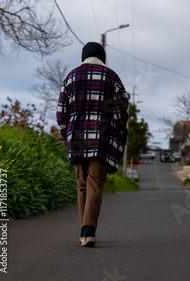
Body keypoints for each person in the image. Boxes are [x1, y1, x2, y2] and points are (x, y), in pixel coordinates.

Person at [57, 42, 129, 247]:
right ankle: (88, 231)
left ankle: (84, 232)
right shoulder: (112, 77)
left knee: (81, 186)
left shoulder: (70, 77)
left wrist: (67, 134)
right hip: (102, 138)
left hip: (76, 138)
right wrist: (117, 129)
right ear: (102, 57)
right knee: (95, 182)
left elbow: (62, 113)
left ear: (83, 56)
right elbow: (122, 110)